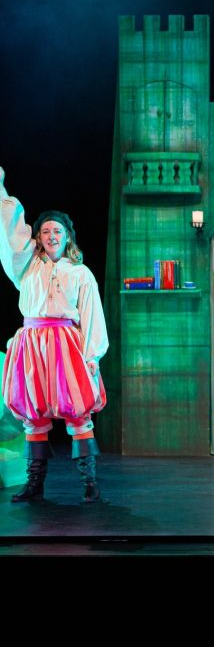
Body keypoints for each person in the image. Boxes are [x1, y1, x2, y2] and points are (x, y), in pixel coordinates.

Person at [0, 165, 108, 503]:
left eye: (57, 230)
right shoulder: (27, 266)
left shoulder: (79, 273)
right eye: (45, 231)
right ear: (38, 238)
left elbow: (92, 316)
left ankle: (89, 482)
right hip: (32, 345)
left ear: (67, 236)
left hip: (65, 344)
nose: (51, 236)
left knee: (78, 411)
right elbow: (9, 231)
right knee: (34, 414)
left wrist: (92, 355)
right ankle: (34, 484)